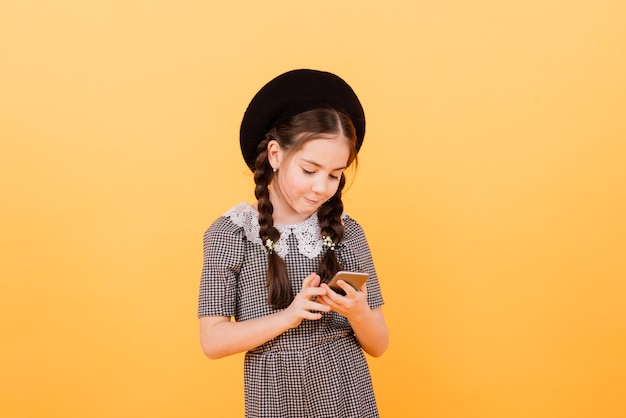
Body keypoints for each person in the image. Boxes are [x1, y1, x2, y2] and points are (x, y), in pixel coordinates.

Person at [198, 69, 389, 418]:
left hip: (348, 395)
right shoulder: (233, 232)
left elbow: (379, 345)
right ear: (275, 154)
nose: (321, 187)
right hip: (275, 399)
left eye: (335, 175)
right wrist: (289, 316)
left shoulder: (347, 232)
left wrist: (358, 312)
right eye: (309, 170)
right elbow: (212, 341)